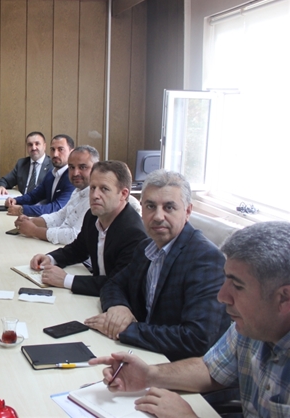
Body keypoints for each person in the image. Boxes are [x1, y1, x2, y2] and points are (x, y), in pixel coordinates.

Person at [91, 221, 290, 418]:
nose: (222, 296)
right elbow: (211, 369)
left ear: (284, 297)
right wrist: (149, 375)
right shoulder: (251, 326)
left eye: (237, 286)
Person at [86, 169, 230, 361]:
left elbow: (196, 339)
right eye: (151, 206)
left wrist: (128, 330)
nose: (158, 216)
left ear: (187, 211)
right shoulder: (146, 248)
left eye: (169, 207)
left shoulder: (206, 260)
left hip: (176, 366)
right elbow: (113, 284)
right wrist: (118, 307)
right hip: (144, 353)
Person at [29, 160, 147, 296]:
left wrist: (66, 280)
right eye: (92, 188)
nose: (95, 195)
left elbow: (118, 283)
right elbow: (77, 249)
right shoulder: (92, 216)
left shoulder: (134, 234)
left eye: (104, 189)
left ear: (123, 194)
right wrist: (50, 258)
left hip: (118, 302)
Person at [15, 145, 98, 244]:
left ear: (96, 168)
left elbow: (75, 236)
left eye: (82, 167)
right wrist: (31, 221)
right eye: (71, 167)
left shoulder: (95, 198)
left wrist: (34, 231)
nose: (75, 173)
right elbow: (61, 216)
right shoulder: (78, 191)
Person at [4, 135, 75, 217]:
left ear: (71, 152)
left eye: (60, 149)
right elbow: (34, 195)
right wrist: (15, 200)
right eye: (52, 149)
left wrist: (23, 210)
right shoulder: (51, 173)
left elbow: (56, 208)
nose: (55, 154)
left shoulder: (73, 177)